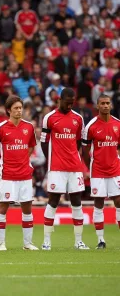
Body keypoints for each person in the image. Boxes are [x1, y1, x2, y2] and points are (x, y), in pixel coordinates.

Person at [40, 88, 89, 250]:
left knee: (76, 201)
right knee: (53, 201)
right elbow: (44, 141)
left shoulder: (78, 118)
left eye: (72, 103)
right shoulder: (49, 118)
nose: (69, 106)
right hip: (57, 168)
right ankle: (46, 241)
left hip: (74, 167)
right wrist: (52, 159)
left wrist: (72, 156)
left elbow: (79, 142)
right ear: (59, 100)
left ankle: (78, 241)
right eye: (67, 103)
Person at [0, 96, 39, 251]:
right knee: (3, 207)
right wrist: (2, 162)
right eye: (16, 108)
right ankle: (0, 243)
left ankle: (27, 243)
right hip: (8, 174)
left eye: (20, 107)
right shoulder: (1, 128)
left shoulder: (29, 127)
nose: (19, 110)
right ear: (8, 110)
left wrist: (24, 158)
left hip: (25, 174)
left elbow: (31, 146)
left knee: (27, 207)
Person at [82, 94, 120, 249]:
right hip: (97, 170)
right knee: (99, 203)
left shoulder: (118, 124)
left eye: (107, 103)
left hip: (115, 169)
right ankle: (100, 240)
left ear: (110, 105)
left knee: (118, 201)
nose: (105, 105)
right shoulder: (91, 126)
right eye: (102, 103)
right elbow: (85, 149)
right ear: (97, 106)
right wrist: (89, 165)